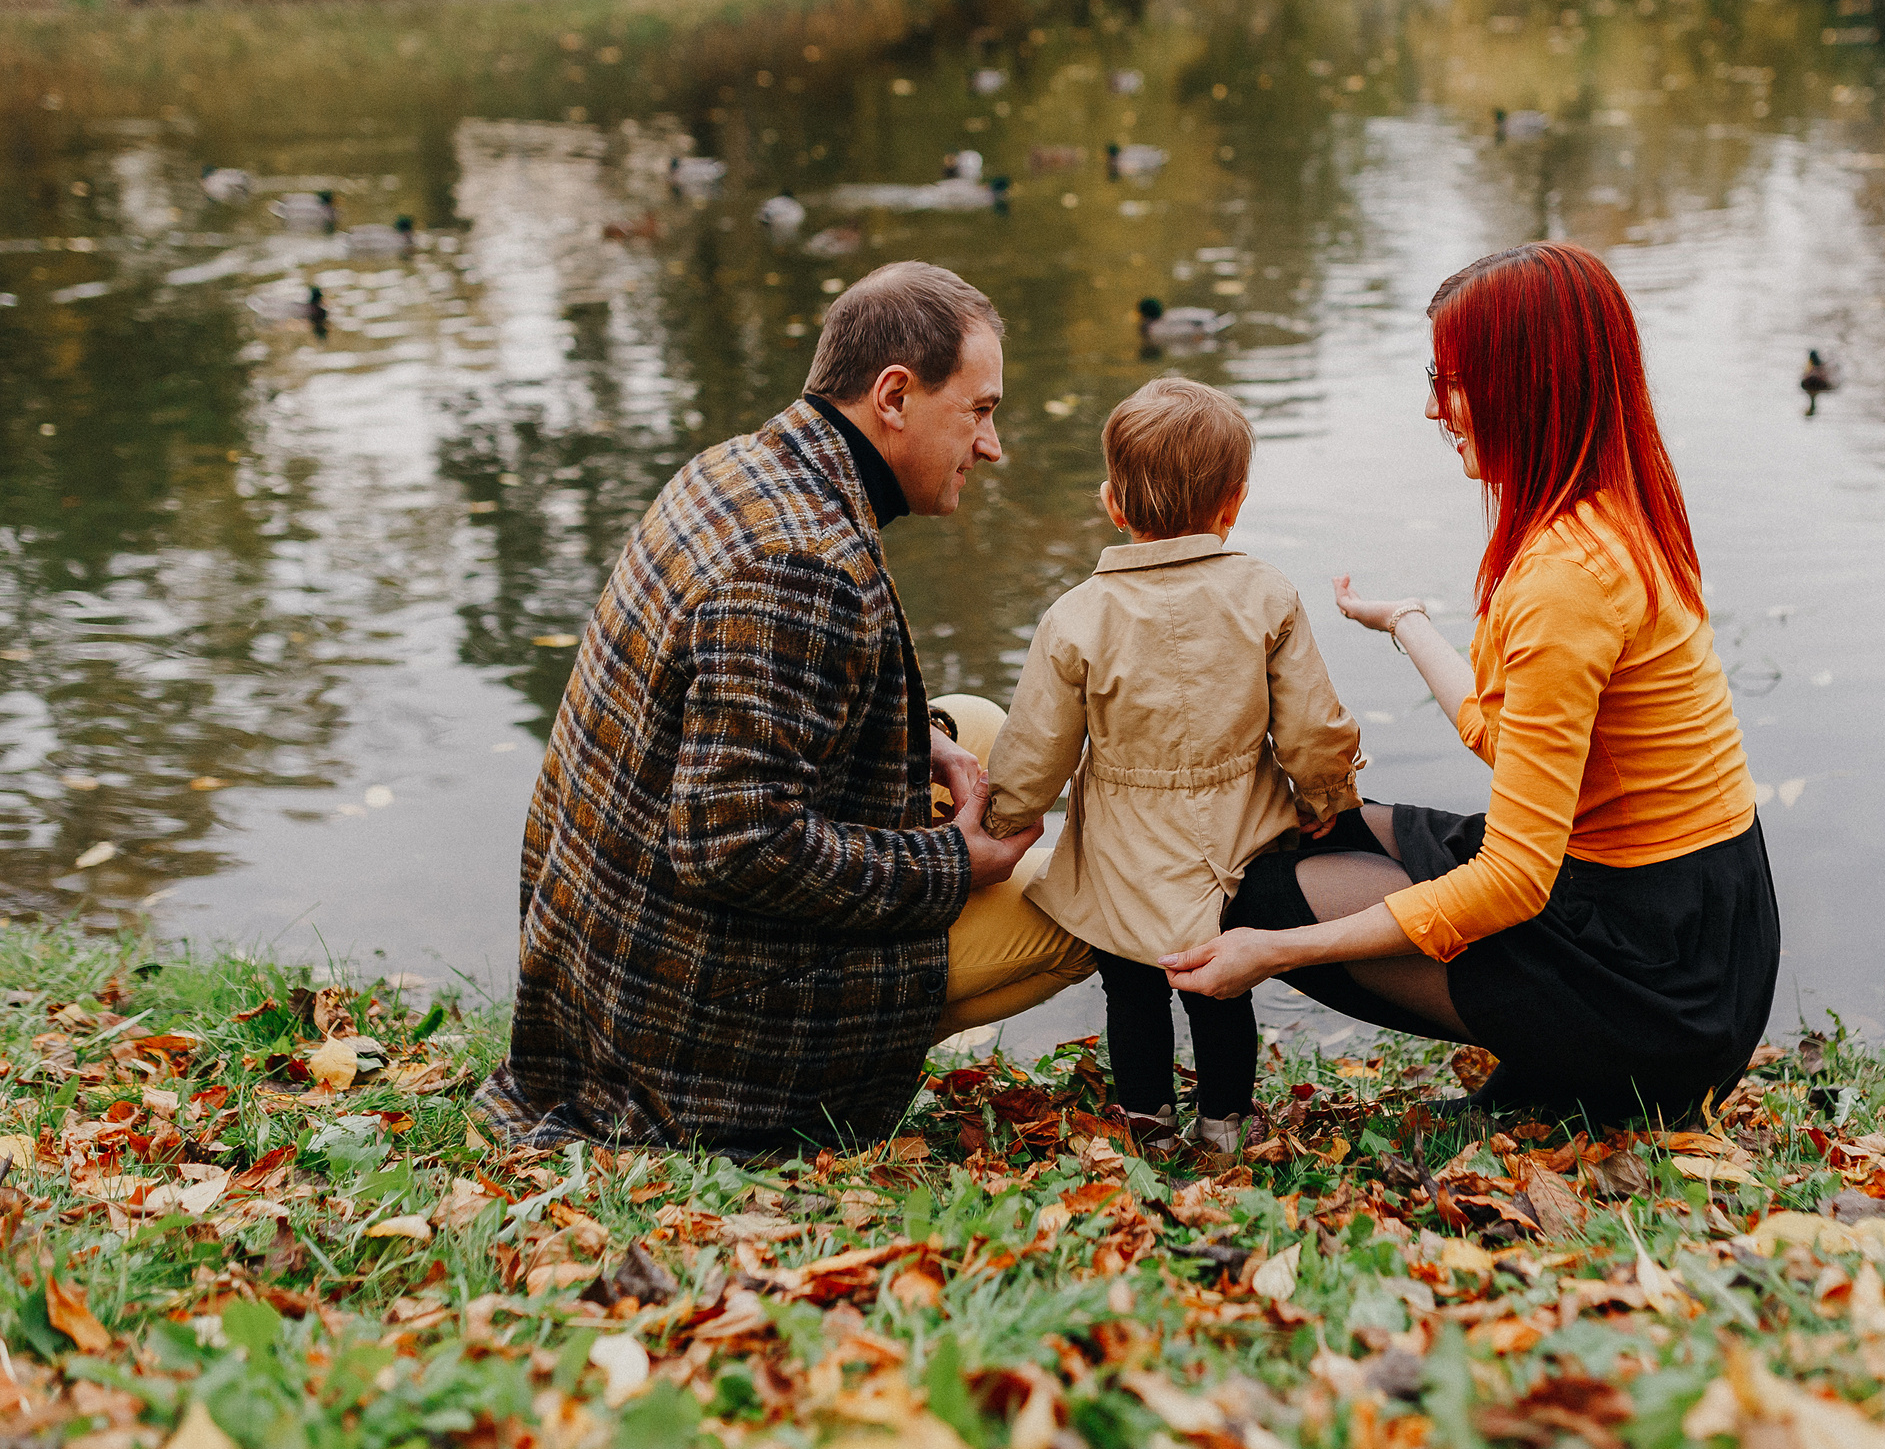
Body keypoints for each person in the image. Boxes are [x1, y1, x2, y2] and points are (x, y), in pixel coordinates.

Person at [474, 261, 1093, 1155]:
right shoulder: (800, 567)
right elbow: (735, 846)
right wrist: (951, 865)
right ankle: (829, 1082)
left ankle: (904, 928)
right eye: (980, 409)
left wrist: (923, 746)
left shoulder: (740, 470)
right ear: (893, 396)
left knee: (977, 726)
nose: (990, 447)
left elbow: (729, 706)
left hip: (601, 960)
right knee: (1090, 897)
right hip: (686, 1031)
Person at [1162, 242, 1778, 1124]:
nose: (1431, 408)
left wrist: (1276, 953)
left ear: (1523, 386)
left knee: (1265, 896)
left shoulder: (1567, 576)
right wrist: (1408, 623)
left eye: (1449, 382)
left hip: (1662, 980)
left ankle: (1583, 1075)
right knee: (1314, 830)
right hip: (1682, 913)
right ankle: (1553, 1069)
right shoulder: (1614, 514)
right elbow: (1506, 735)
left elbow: (1514, 881)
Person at [981, 379, 1362, 1152]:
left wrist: (1004, 820)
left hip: (1124, 846)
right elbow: (1312, 727)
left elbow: (1037, 746)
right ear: (1235, 503)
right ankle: (1223, 1125)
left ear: (1113, 504)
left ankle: (1148, 1124)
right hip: (1236, 840)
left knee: (1132, 989)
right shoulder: (1266, 595)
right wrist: (1328, 798)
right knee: (1221, 988)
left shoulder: (1077, 616)